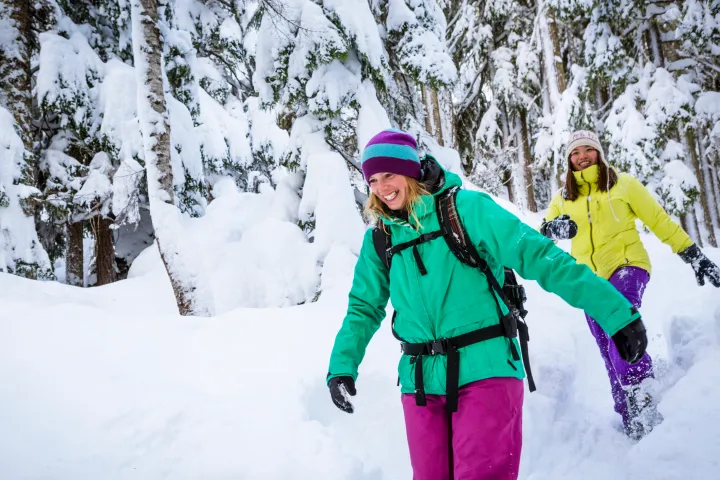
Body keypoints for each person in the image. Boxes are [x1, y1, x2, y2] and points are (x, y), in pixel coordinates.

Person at [326, 128, 650, 480]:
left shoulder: (467, 210)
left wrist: (615, 312)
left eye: (389, 174)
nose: (382, 187)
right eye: (372, 179)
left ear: (411, 171)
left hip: (487, 369)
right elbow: (363, 307)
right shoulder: (380, 238)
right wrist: (342, 365)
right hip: (420, 382)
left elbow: (542, 258)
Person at [540, 130, 720, 439]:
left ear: (599, 152)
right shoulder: (563, 198)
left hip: (627, 267)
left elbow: (659, 220)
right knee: (605, 345)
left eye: (588, 149)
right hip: (588, 281)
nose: (582, 156)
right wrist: (554, 227)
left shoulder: (623, 185)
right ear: (569, 160)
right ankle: (628, 414)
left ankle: (643, 392)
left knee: (619, 328)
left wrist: (692, 254)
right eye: (575, 152)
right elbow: (544, 231)